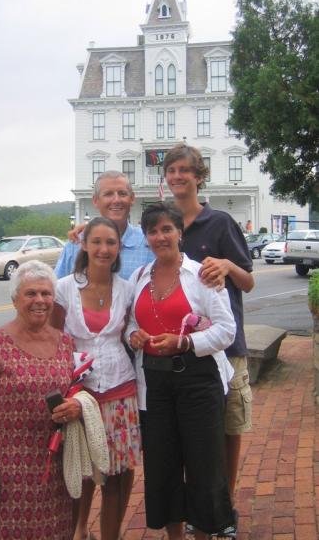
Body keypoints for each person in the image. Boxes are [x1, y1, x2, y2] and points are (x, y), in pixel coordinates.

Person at [128, 202, 236, 540]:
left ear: (179, 233)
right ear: (146, 236)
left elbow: (226, 330)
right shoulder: (139, 277)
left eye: (166, 229)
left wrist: (184, 343)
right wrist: (134, 335)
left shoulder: (202, 276)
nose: (160, 236)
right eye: (153, 230)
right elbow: (132, 322)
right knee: (162, 466)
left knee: (204, 466)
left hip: (198, 379)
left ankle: (203, 533)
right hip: (155, 384)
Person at [163, 143, 254, 539]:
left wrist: (229, 264)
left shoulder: (220, 224)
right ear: (165, 178)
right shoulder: (164, 226)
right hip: (182, 357)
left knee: (229, 430)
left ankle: (225, 509)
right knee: (194, 439)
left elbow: (247, 282)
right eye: (172, 170)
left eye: (186, 170)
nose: (179, 176)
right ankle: (199, 509)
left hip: (225, 350)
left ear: (199, 176)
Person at [0, 260, 82, 540]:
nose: (39, 300)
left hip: (55, 473)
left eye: (46, 293)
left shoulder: (67, 344)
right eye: (31, 293)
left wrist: (77, 407)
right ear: (15, 299)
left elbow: (78, 391)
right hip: (5, 473)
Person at [52, 217, 141, 540]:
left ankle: (110, 535)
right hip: (81, 394)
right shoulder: (63, 288)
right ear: (85, 245)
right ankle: (78, 532)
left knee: (117, 474)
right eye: (97, 242)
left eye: (111, 243)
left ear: (118, 248)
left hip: (121, 389)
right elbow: (54, 339)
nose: (104, 249)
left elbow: (130, 328)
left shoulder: (127, 288)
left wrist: (135, 336)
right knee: (82, 471)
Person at [54, 170, 154, 281]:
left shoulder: (149, 243)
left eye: (122, 193)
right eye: (108, 194)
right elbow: (55, 290)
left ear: (132, 199)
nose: (116, 200)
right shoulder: (76, 243)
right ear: (96, 200)